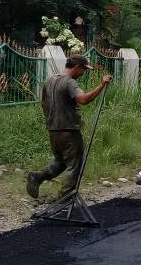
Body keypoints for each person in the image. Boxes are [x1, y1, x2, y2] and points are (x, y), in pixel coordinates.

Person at [27, 56, 112, 199]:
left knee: (61, 161)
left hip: (53, 130)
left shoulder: (49, 81)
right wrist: (102, 85)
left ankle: (38, 177)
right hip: (69, 131)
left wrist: (52, 120)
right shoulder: (69, 83)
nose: (83, 73)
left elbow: (43, 104)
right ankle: (66, 196)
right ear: (77, 67)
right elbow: (83, 99)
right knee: (75, 164)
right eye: (84, 69)